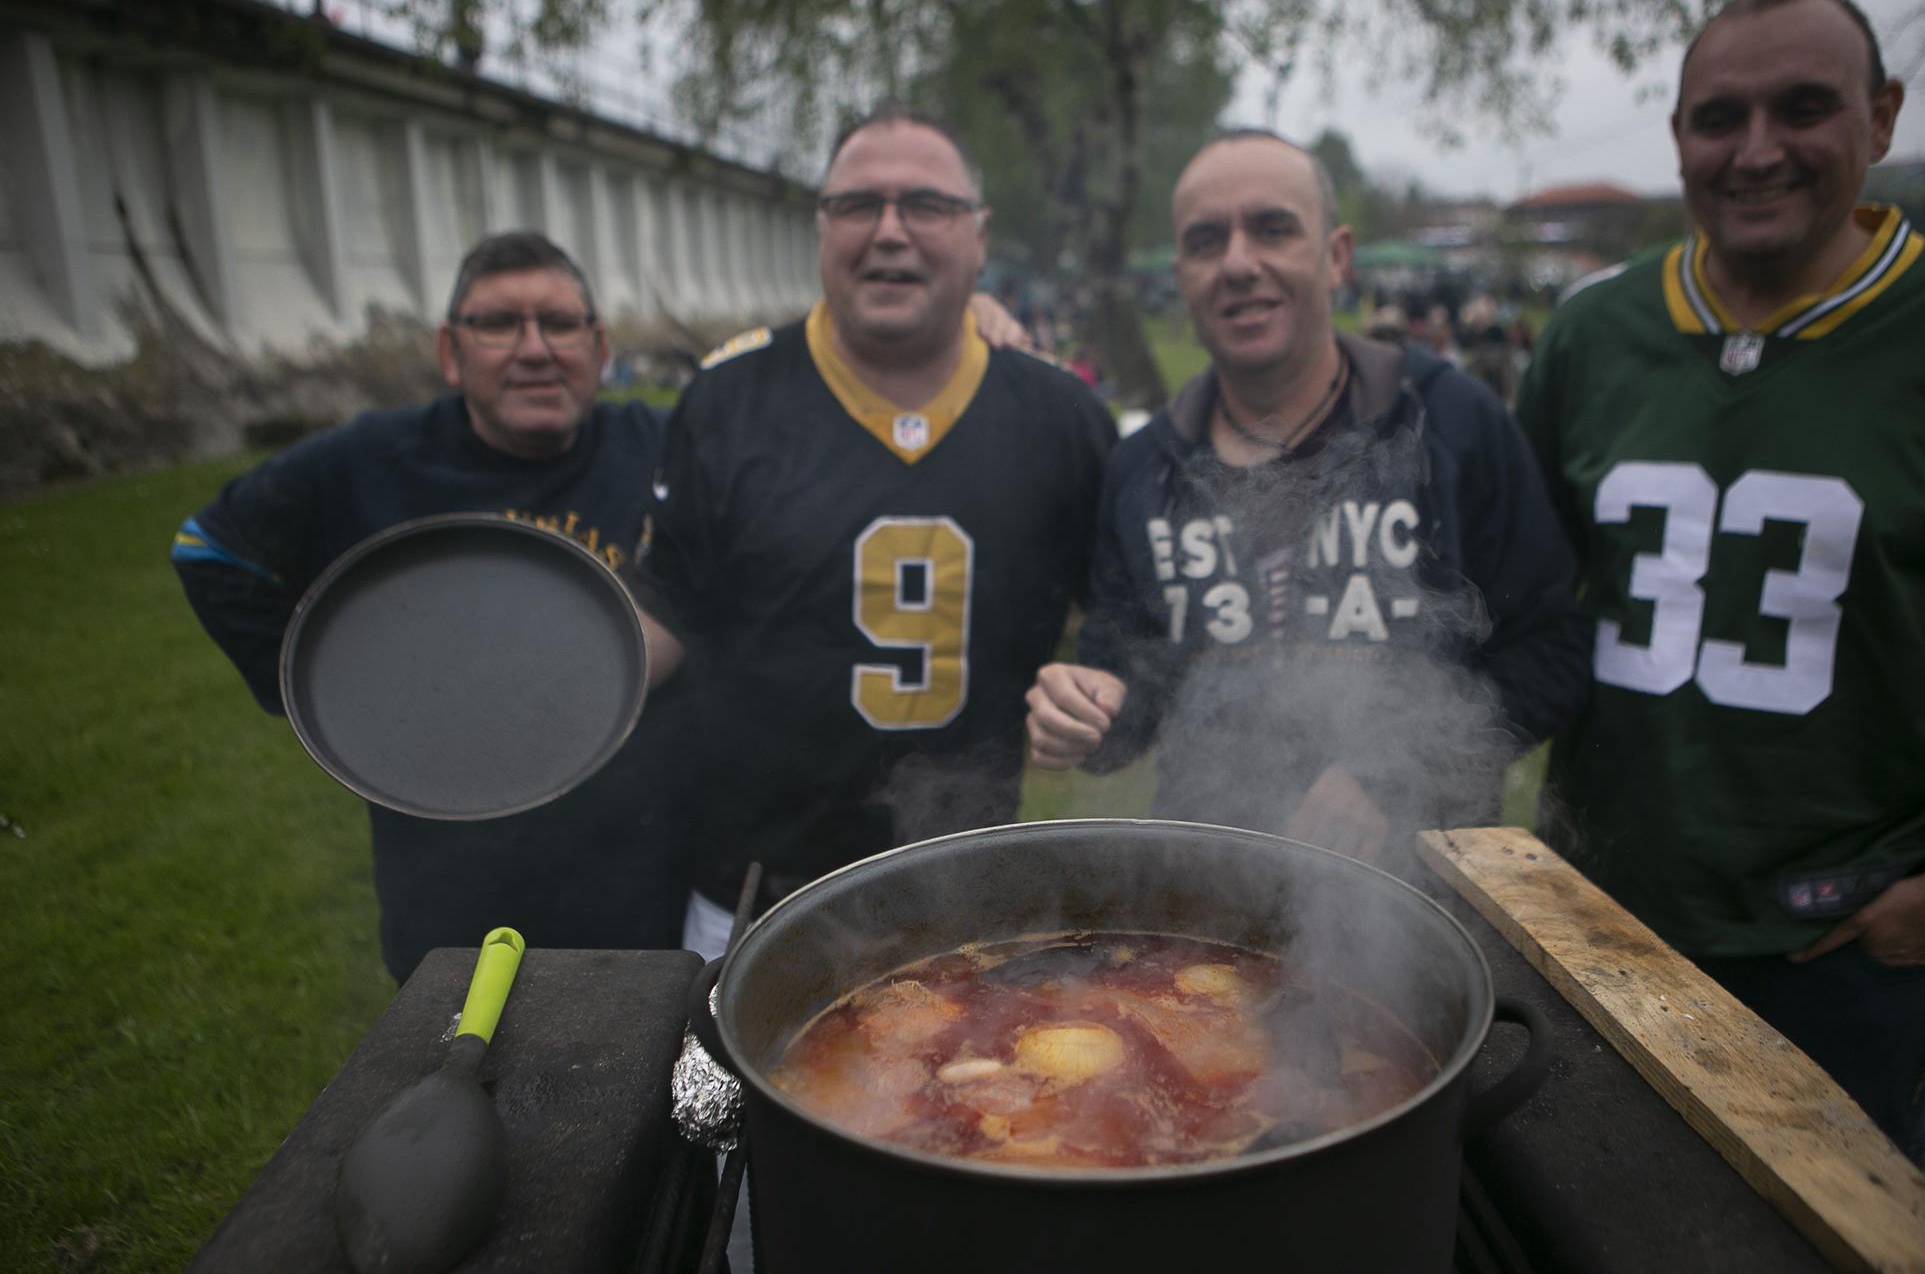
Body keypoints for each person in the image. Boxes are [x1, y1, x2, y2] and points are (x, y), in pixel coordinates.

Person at [1512, 0, 1925, 1164]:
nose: (1756, 150)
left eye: (1802, 107)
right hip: (1599, 917)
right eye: (1717, 118)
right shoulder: (1590, 337)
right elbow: (1512, 611)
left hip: (1836, 945)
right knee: (1586, 1210)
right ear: (1678, 137)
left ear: (1878, 119)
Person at [1025, 130, 1590, 874]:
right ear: (1182, 274)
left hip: (1414, 910)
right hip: (1206, 910)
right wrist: (1088, 708)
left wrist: (1393, 769)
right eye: (1204, 241)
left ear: (1337, 257)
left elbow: (1553, 649)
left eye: (1272, 228)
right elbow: (1129, 684)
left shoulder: (1452, 422)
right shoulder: (1143, 469)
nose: (1236, 262)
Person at [629, 105, 1116, 958]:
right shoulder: (729, 399)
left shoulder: (1060, 415)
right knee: (721, 1098)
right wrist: (546, 685)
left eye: (926, 206)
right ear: (821, 228)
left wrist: (1099, 685)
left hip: (974, 899)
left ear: (977, 235)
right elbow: (665, 607)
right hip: (753, 896)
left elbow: (1119, 619)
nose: (889, 231)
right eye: (858, 205)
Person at [173, 231, 684, 983]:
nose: (535, 348)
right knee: (460, 1078)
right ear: (451, 351)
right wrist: (333, 697)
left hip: (647, 861)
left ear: (601, 347)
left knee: (655, 1075)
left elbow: (745, 562)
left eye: (561, 323)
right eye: (500, 324)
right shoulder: (369, 460)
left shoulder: (665, 445)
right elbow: (210, 549)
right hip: (450, 887)